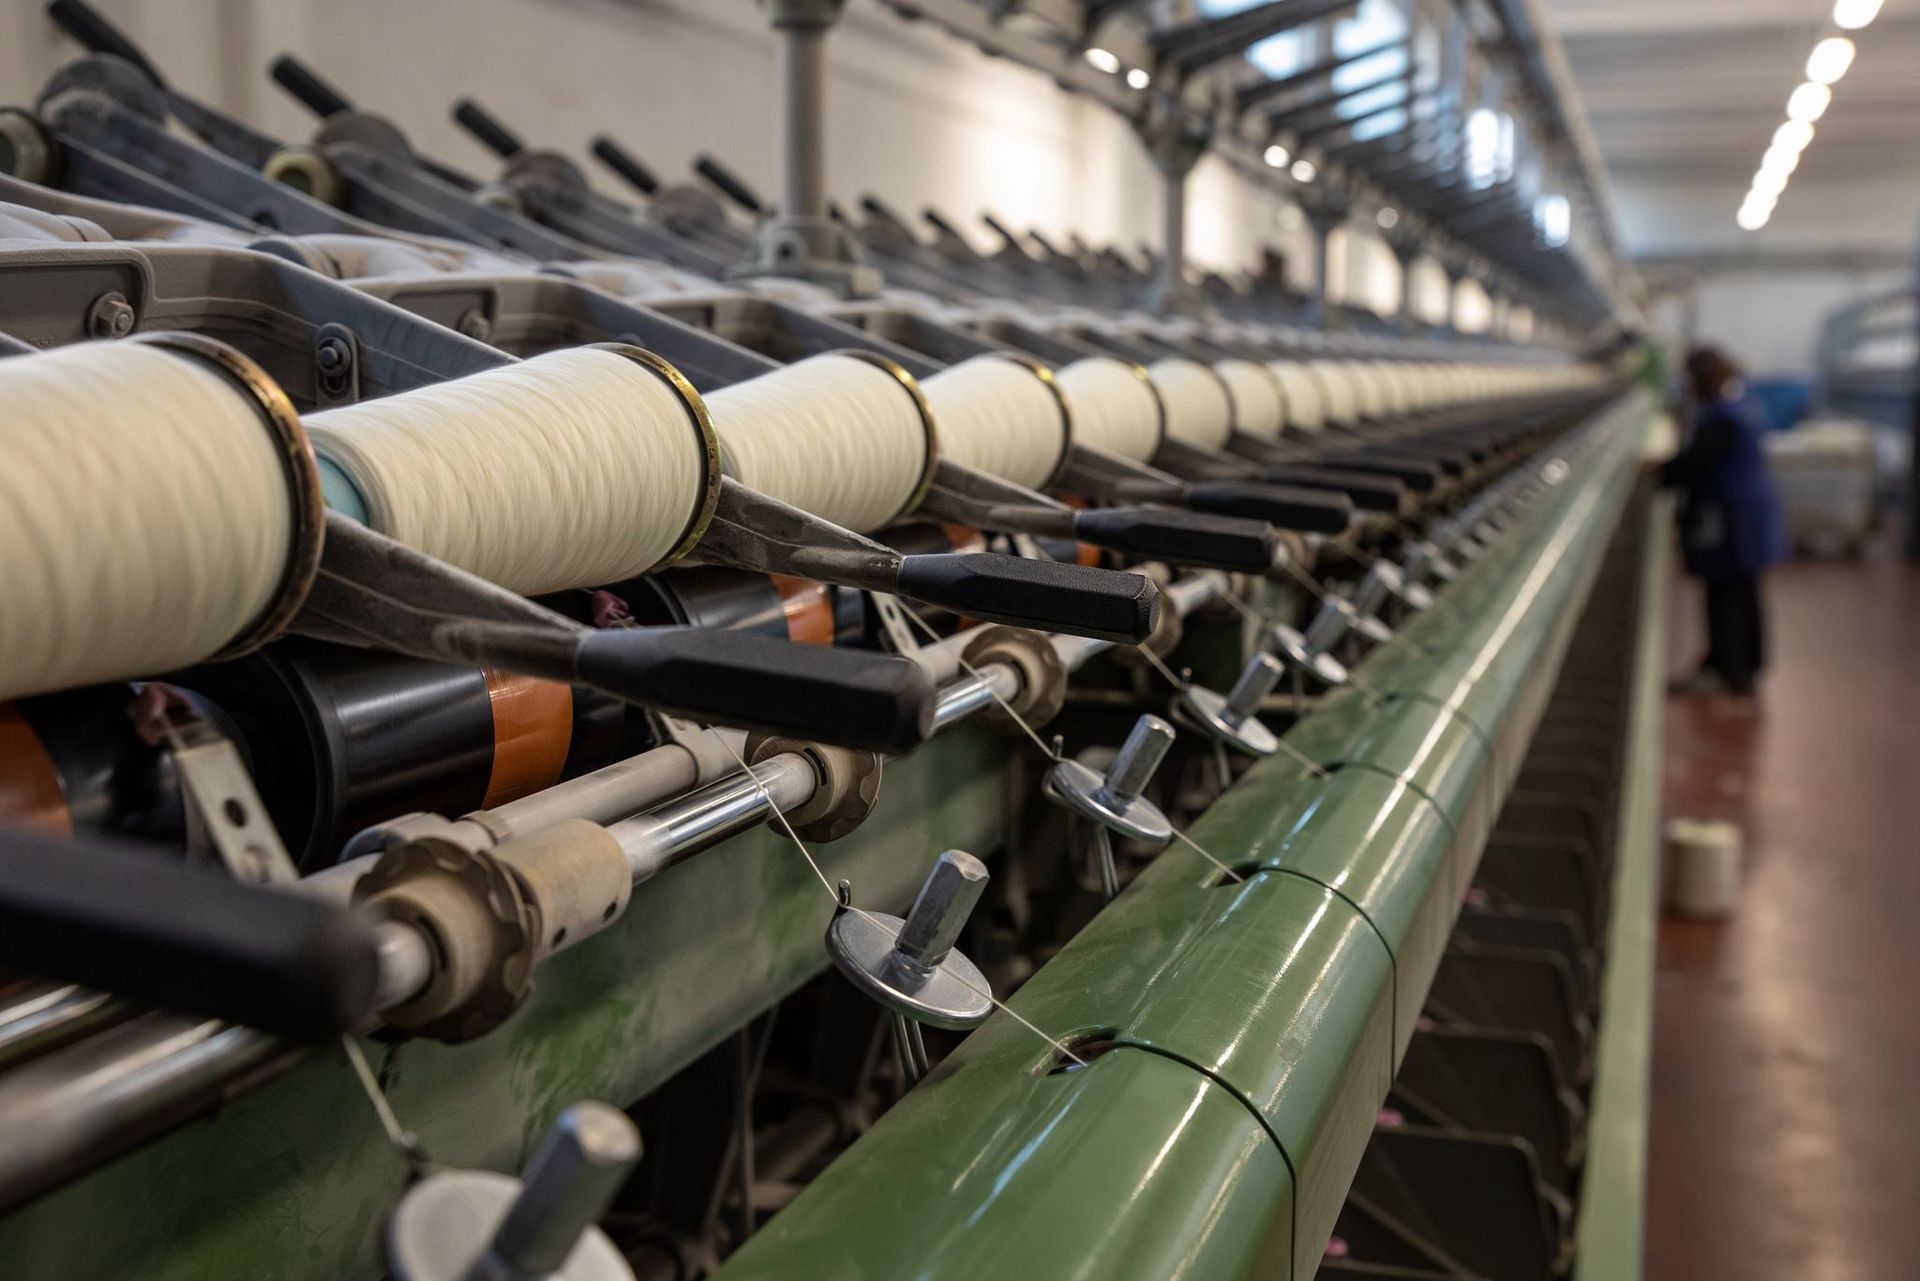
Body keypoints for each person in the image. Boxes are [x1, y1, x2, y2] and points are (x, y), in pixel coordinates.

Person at [1660, 346, 1787, 697]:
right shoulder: (1742, 403)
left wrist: (1658, 472)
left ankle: (1731, 670)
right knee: (1741, 590)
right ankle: (1738, 665)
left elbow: (1696, 463)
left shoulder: (1722, 417)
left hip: (1732, 516)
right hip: (1748, 509)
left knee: (1728, 593)